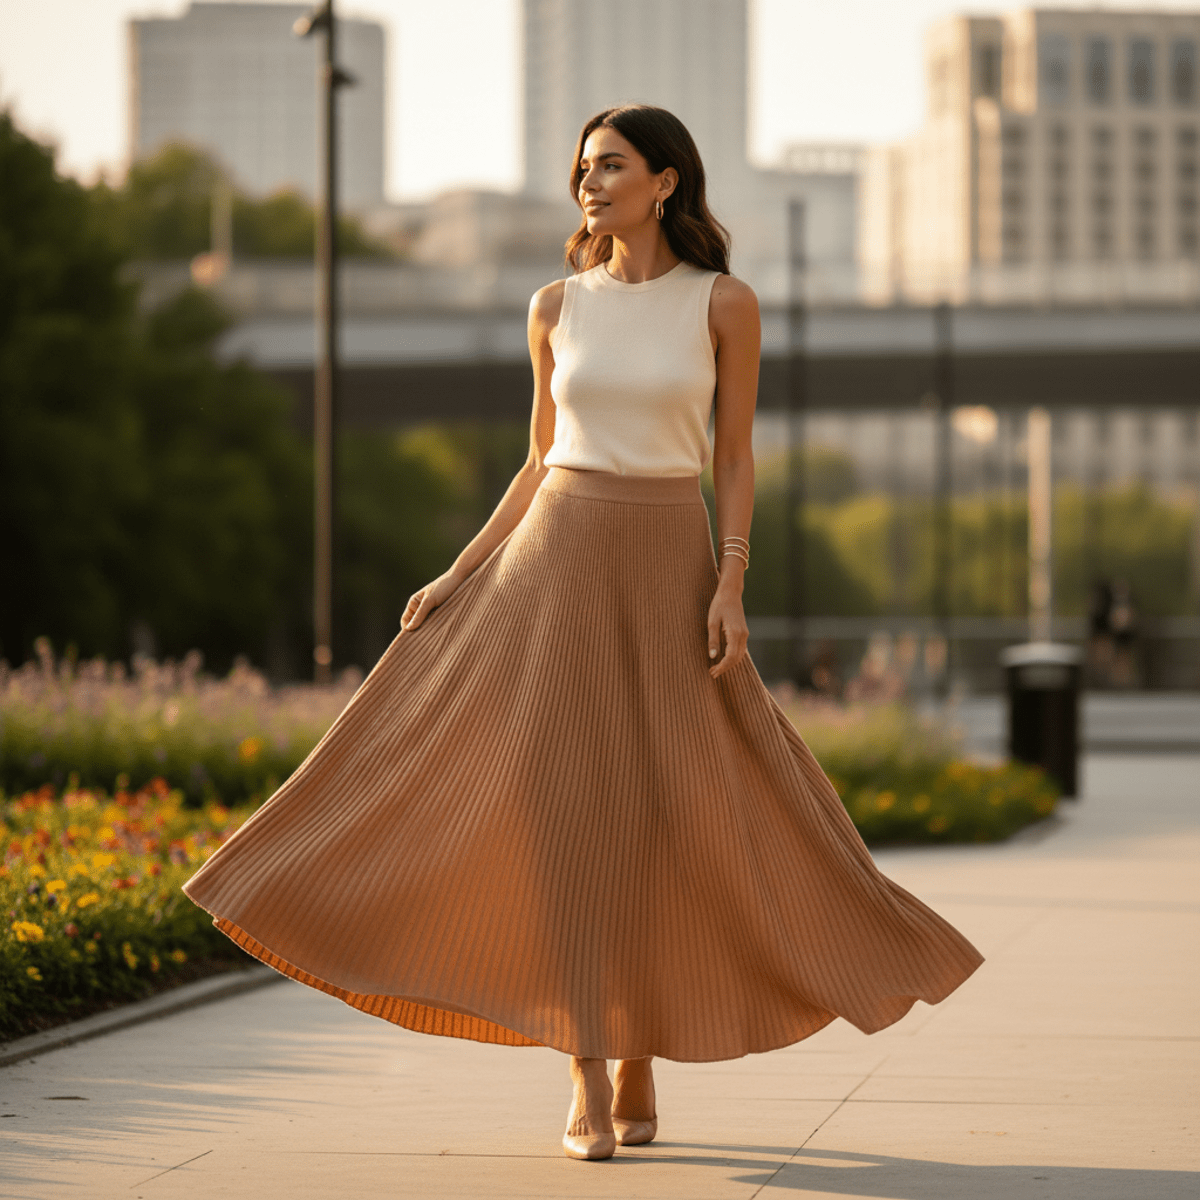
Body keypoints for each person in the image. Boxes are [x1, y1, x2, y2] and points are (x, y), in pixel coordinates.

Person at [183, 104, 983, 1163]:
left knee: (661, 811)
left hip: (668, 566)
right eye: (582, 169)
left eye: (610, 166)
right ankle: (587, 1067)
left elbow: (732, 457)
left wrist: (731, 580)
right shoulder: (555, 306)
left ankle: (641, 1034)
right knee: (562, 815)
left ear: (665, 181)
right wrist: (460, 571)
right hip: (554, 562)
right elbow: (536, 460)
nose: (589, 184)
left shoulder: (724, 303)